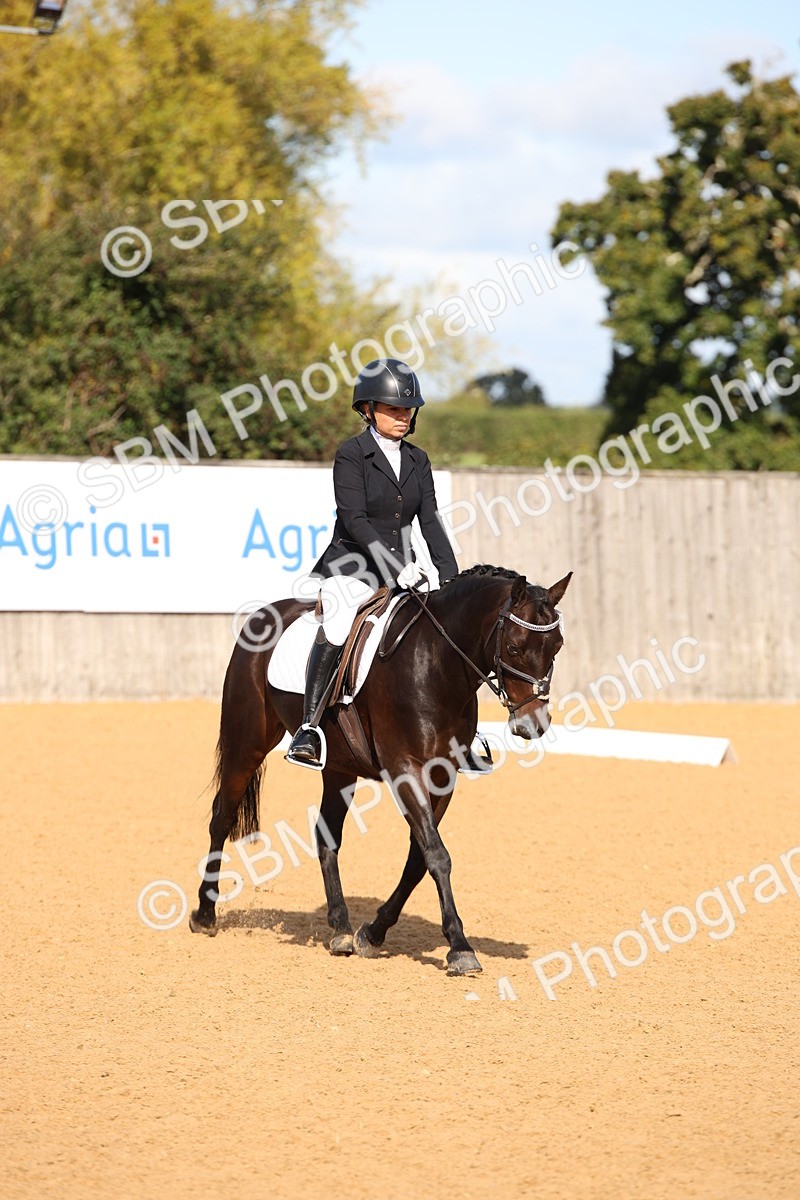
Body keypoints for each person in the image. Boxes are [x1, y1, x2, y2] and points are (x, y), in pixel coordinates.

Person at [285, 357, 459, 770]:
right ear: (368, 409)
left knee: (442, 628)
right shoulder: (352, 454)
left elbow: (430, 519)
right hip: (351, 568)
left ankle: (460, 732)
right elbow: (354, 518)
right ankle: (309, 728)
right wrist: (393, 565)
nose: (402, 416)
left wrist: (452, 579)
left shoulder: (418, 459)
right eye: (393, 408)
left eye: (407, 409)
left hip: (404, 568)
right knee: (340, 621)